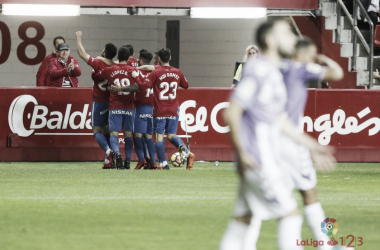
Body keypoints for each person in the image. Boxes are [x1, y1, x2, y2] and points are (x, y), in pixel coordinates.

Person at [220, 19, 336, 250]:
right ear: (271, 41)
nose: (293, 38)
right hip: (258, 159)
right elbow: (231, 112)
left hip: (262, 157)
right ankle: (327, 244)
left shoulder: (272, 71)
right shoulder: (258, 70)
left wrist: (311, 145)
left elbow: (278, 119)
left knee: (243, 220)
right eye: (287, 33)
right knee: (291, 214)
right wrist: (243, 154)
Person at [134, 48, 195, 170]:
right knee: (172, 135)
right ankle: (186, 152)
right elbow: (186, 85)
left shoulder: (156, 72)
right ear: (170, 58)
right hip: (173, 109)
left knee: (159, 137)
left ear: (159, 59)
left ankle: (163, 163)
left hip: (160, 110)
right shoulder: (177, 72)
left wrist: (136, 76)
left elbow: (143, 86)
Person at [76, 31, 118, 169]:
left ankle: (108, 152)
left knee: (97, 131)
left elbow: (82, 54)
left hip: (99, 101)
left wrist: (78, 38)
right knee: (107, 131)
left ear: (104, 53)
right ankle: (108, 160)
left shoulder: (98, 63)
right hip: (112, 102)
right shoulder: (116, 65)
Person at [112, 49, 158, 170]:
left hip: (140, 107)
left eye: (138, 59)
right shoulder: (156, 71)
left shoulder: (137, 72)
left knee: (137, 135)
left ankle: (141, 159)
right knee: (148, 136)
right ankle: (153, 162)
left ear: (141, 60)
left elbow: (135, 87)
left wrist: (120, 89)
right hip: (153, 107)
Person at [97, 46, 139, 169]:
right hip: (129, 107)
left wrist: (101, 59)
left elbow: (98, 75)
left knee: (113, 133)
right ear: (129, 57)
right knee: (127, 135)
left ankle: (116, 154)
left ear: (118, 57)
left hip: (115, 106)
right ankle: (127, 161)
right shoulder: (133, 70)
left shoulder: (110, 70)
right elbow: (137, 87)